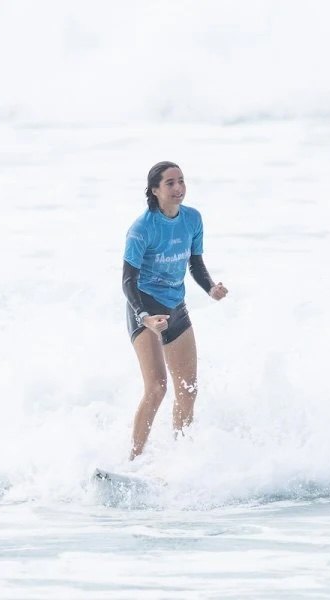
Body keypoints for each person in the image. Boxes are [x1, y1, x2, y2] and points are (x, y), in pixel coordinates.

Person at [122, 161, 228, 460]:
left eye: (181, 180)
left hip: (175, 306)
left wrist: (210, 288)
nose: (178, 187)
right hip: (144, 308)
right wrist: (145, 317)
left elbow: (195, 262)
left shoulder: (192, 219)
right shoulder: (142, 229)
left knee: (189, 388)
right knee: (157, 387)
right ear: (155, 190)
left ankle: (178, 458)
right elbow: (128, 281)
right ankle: (133, 460)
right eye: (170, 183)